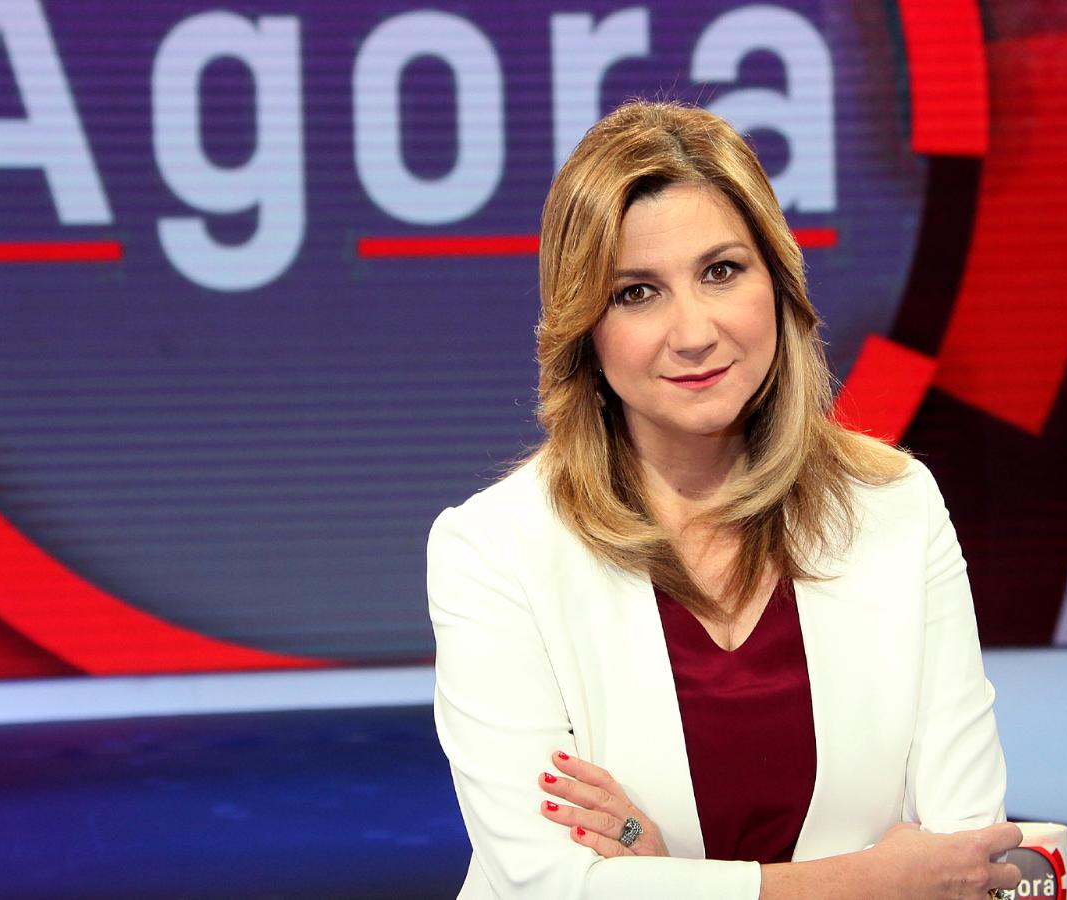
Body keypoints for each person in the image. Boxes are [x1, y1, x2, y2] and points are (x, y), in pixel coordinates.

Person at [427, 101, 1022, 899]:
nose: (694, 332)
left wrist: (662, 874)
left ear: (777, 281)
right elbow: (549, 885)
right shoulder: (496, 551)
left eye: (721, 271)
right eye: (636, 292)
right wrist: (874, 881)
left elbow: (965, 862)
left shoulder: (896, 508)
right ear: (584, 330)